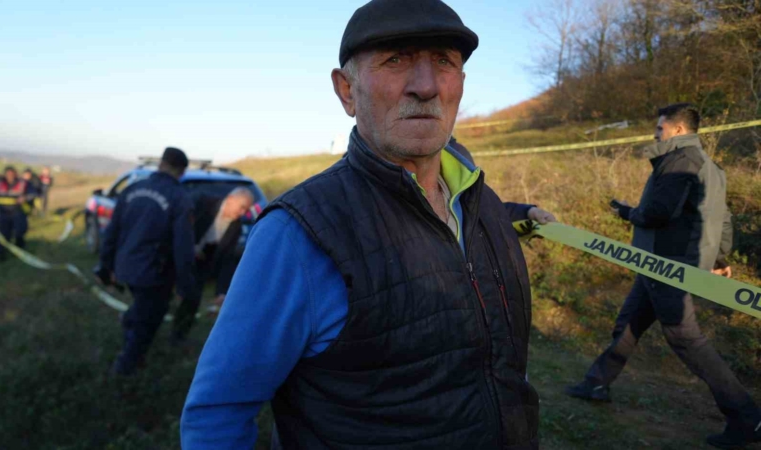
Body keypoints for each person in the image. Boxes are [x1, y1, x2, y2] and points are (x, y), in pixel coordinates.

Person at [181, 1, 555, 448]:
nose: (426, 86)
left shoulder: (483, 205)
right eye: (395, 60)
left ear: (460, 82)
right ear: (347, 91)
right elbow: (218, 414)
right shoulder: (297, 235)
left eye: (443, 61)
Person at [565, 103, 761, 449]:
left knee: (685, 337)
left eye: (660, 129)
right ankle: (596, 382)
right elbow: (723, 217)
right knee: (630, 322)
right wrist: (719, 256)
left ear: (678, 130)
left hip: (667, 264)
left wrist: (626, 212)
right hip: (661, 263)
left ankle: (747, 418)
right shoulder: (710, 165)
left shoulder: (679, 160)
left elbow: (657, 213)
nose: (655, 135)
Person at [96, 147, 197, 375]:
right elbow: (183, 247)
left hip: (126, 266)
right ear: (182, 171)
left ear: (161, 164)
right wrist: (185, 285)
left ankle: (130, 326)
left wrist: (105, 265)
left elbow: (111, 232)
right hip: (154, 272)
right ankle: (125, 368)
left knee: (144, 309)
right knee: (149, 320)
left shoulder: (132, 189)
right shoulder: (180, 198)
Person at [171, 187, 255, 343]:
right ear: (230, 199)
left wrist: (221, 291)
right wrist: (189, 247)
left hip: (203, 262)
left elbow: (227, 259)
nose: (243, 213)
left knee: (193, 299)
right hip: (178, 254)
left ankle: (178, 337)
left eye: (247, 210)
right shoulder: (202, 203)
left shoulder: (236, 226)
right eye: (242, 207)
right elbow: (179, 226)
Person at [0, 166, 36, 262]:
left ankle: (20, 251)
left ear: (15, 174)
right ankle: (0, 255)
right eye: (8, 174)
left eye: (11, 174)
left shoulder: (24, 183)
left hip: (18, 212)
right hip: (3, 214)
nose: (10, 176)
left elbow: (33, 193)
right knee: (3, 235)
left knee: (19, 232)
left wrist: (25, 197)